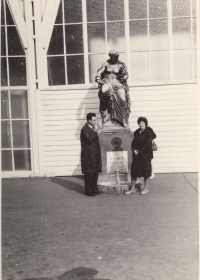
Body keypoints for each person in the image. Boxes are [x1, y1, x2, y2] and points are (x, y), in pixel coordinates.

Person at [95, 49, 131, 128]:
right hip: (107, 83)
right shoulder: (106, 64)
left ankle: (123, 121)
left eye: (116, 57)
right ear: (111, 57)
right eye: (113, 57)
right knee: (103, 91)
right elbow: (99, 72)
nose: (115, 58)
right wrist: (98, 78)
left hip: (118, 84)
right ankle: (106, 115)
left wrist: (124, 78)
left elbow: (126, 74)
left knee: (123, 99)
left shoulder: (120, 65)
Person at [125, 117, 153, 195]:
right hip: (137, 154)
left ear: (145, 124)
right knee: (134, 170)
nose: (141, 125)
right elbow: (133, 143)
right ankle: (132, 189)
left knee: (146, 171)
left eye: (142, 123)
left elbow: (148, 144)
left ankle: (145, 188)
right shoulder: (137, 132)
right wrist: (134, 150)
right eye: (139, 123)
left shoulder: (148, 132)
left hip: (145, 155)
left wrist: (139, 151)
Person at [80, 113, 102, 196]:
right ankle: (88, 190)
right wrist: (94, 131)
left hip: (95, 154)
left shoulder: (92, 128)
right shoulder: (84, 129)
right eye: (94, 120)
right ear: (89, 121)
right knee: (89, 172)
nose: (95, 121)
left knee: (95, 171)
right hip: (88, 155)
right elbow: (89, 139)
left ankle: (94, 189)